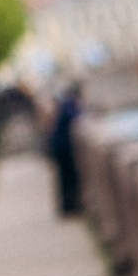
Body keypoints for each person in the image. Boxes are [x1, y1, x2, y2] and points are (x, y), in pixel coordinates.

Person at [47, 82, 83, 216]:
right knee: (68, 177)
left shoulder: (65, 104)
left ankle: (67, 207)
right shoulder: (70, 104)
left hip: (60, 146)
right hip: (63, 148)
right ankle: (69, 207)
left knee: (64, 178)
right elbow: (75, 118)